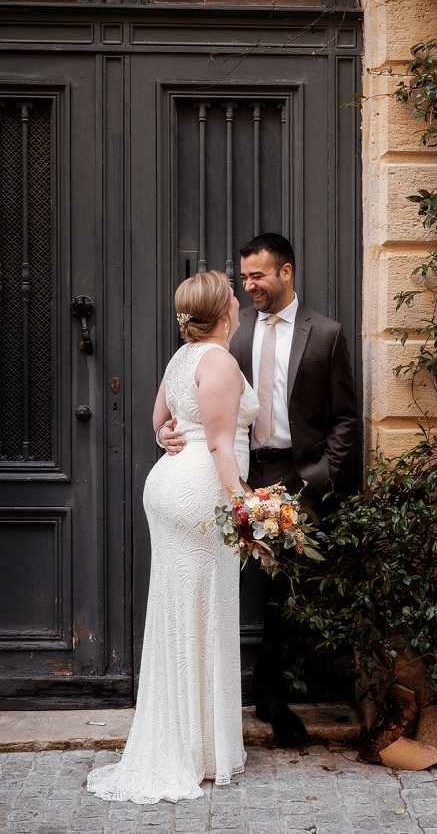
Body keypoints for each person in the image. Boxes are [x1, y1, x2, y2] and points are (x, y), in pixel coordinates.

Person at [160, 235, 357, 747]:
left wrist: (318, 477)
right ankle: (242, 699)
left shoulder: (328, 334)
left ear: (286, 272)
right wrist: (169, 431)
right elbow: (202, 402)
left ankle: (276, 695)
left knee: (294, 591)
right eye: (243, 278)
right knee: (239, 586)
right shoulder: (233, 335)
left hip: (301, 473)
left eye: (258, 277)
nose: (249, 287)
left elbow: (344, 417)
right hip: (242, 472)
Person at [87, 270, 258, 803]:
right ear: (223, 309)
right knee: (205, 614)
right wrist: (249, 505)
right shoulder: (220, 361)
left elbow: (158, 419)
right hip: (200, 498)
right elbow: (221, 447)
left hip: (169, 490)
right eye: (231, 291)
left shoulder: (181, 358)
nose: (237, 294)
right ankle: (198, 750)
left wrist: (166, 432)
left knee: (179, 613)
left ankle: (186, 740)